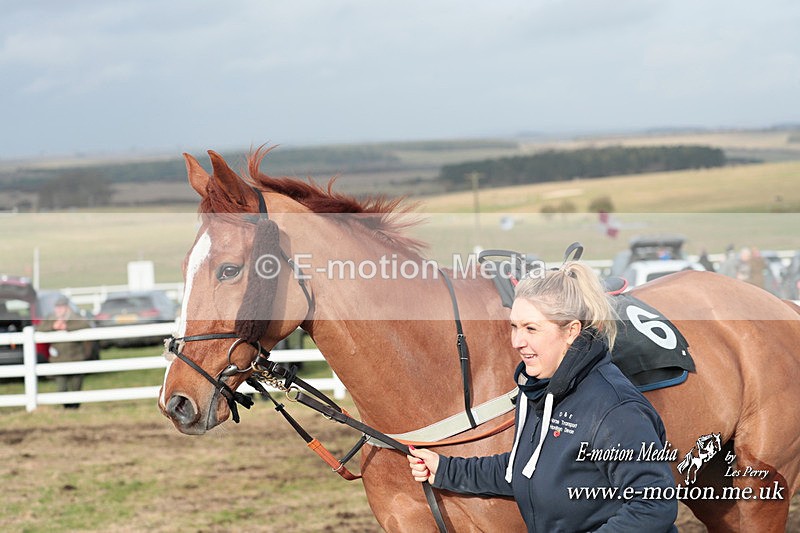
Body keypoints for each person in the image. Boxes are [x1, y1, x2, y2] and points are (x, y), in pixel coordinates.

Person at [408, 262, 678, 532]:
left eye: (531, 328)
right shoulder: (536, 390)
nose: (516, 341)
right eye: (515, 326)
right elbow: (526, 467)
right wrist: (445, 469)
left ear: (571, 331)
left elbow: (654, 505)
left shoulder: (615, 409)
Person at [38, 296, 92, 409]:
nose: (59, 310)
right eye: (57, 307)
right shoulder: (51, 318)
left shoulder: (75, 317)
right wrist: (53, 326)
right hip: (58, 359)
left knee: (76, 385)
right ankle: (66, 407)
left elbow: (85, 325)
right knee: (61, 387)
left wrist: (67, 327)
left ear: (67, 307)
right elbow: (40, 328)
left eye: (61, 307)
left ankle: (75, 407)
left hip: (75, 357)